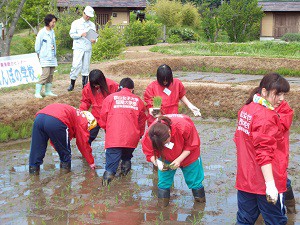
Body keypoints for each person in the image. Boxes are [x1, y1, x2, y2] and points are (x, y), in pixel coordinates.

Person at [234, 73, 290, 224]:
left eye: (283, 94)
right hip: (265, 181)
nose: (281, 98)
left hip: (246, 180)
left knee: (244, 220)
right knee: (276, 221)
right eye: (277, 94)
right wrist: (270, 185)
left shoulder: (247, 109)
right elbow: (264, 152)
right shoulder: (266, 116)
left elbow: (238, 140)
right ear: (264, 92)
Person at [142, 114, 205, 207]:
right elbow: (149, 151)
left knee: (195, 181)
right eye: (161, 144)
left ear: (169, 132)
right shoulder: (151, 134)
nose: (165, 145)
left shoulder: (184, 126)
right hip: (165, 156)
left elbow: (192, 144)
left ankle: (200, 204)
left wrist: (179, 159)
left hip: (189, 154)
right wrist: (157, 162)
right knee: (164, 181)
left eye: (166, 142)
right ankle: (163, 207)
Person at [99, 78, 147, 185]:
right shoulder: (138, 100)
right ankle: (126, 184)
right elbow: (142, 121)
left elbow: (102, 119)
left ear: (119, 87)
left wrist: (108, 130)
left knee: (110, 167)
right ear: (132, 89)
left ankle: (105, 192)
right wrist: (139, 135)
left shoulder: (109, 98)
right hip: (131, 138)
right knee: (126, 158)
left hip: (114, 138)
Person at [29, 103, 97, 175]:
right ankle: (65, 177)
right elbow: (83, 144)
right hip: (57, 120)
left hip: (39, 118)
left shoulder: (76, 113)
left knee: (36, 149)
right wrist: (91, 162)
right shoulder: (83, 121)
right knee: (65, 154)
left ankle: (33, 175)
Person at [79, 69, 118, 145]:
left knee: (112, 138)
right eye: (94, 85)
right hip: (96, 117)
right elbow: (85, 101)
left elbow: (118, 99)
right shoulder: (88, 88)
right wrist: (81, 113)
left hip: (110, 116)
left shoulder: (112, 85)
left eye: (97, 84)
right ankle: (86, 154)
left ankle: (111, 154)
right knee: (88, 137)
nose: (96, 86)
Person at [67, 6, 97, 91]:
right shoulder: (76, 23)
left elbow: (94, 36)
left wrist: (95, 40)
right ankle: (72, 83)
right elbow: (72, 34)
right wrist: (80, 35)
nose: (88, 17)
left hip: (87, 47)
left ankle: (84, 85)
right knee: (76, 65)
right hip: (78, 47)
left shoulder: (92, 25)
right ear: (83, 13)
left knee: (86, 67)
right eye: (87, 15)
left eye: (89, 16)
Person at [275, 100, 296, 213]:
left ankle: (291, 209)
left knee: (283, 180)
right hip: (261, 152)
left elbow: (282, 124)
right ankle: (259, 215)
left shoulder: (283, 107)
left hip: (278, 151)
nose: (280, 97)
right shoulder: (256, 104)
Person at [34, 14, 58, 98]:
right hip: (45, 57)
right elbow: (37, 46)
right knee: (45, 74)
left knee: (51, 74)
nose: (54, 24)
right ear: (48, 22)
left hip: (52, 56)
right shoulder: (42, 32)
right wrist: (42, 53)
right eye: (53, 22)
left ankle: (48, 91)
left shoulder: (52, 32)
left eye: (55, 22)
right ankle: (37, 92)